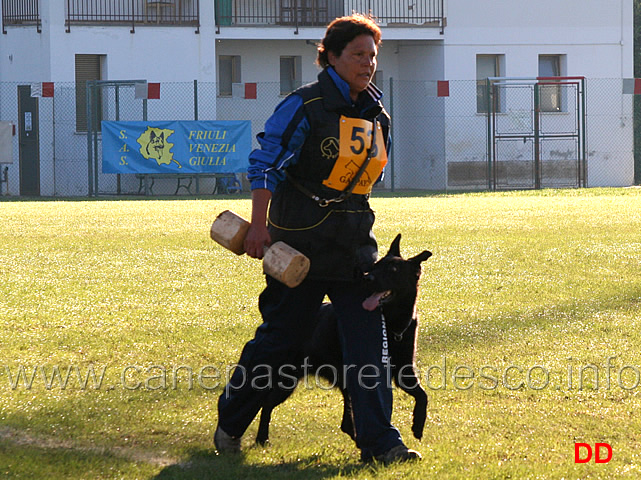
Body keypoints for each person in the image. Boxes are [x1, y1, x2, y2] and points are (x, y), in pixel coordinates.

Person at [215, 13, 421, 464]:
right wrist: (259, 223)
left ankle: (381, 443)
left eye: (372, 55)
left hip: (354, 250)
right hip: (299, 249)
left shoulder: (376, 110)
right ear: (329, 55)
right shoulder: (303, 105)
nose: (367, 63)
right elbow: (265, 163)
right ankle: (230, 421)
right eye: (357, 55)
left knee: (370, 343)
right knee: (281, 343)